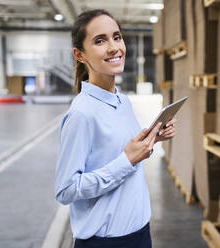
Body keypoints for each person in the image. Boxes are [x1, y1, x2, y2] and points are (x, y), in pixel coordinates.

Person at [55, 9, 176, 248]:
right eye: (100, 41)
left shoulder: (122, 100)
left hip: (140, 232)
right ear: (80, 55)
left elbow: (118, 153)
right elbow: (66, 190)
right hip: (105, 243)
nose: (113, 47)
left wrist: (150, 141)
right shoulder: (82, 113)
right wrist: (127, 160)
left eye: (116, 37)